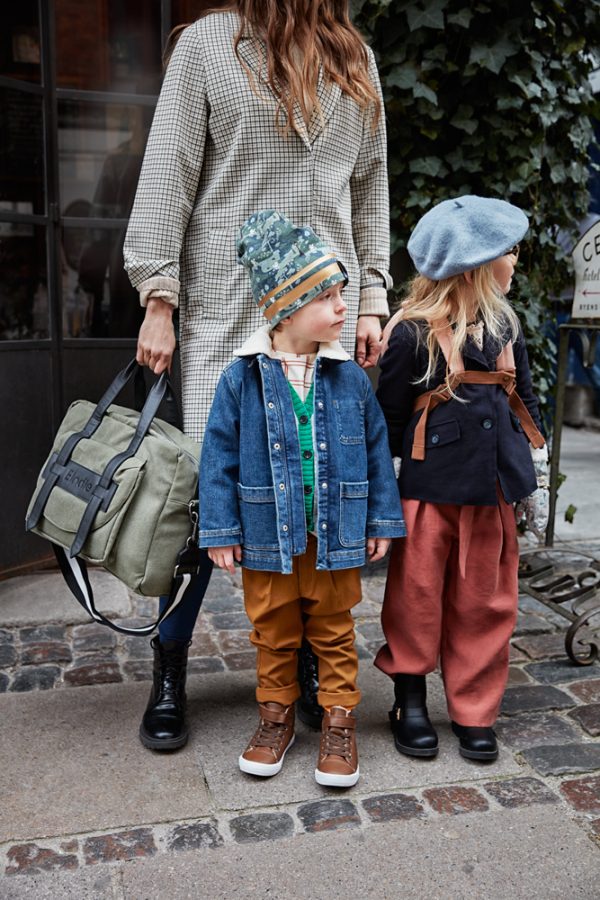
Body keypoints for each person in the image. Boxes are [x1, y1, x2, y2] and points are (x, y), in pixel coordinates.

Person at [123, 2, 392, 751]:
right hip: (227, 312)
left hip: (324, 315)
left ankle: (304, 662)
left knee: (312, 489)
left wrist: (371, 297)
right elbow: (167, 175)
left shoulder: (355, 57)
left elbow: (370, 187)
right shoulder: (210, 46)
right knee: (205, 505)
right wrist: (159, 300)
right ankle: (170, 662)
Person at [199, 210, 406, 786]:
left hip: (332, 535)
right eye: (328, 297)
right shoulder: (241, 378)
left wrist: (380, 519)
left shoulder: (349, 378)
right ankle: (276, 718)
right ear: (287, 309)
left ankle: (339, 722)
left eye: (342, 294)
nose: (344, 308)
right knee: (273, 632)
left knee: (335, 632)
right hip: (268, 537)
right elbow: (218, 457)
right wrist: (222, 530)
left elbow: (375, 451)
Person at [374, 196, 548, 762]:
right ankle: (409, 699)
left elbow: (525, 401)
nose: (515, 260)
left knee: (485, 602)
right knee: (416, 598)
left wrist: (536, 471)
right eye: (507, 252)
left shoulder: (506, 327)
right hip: (427, 493)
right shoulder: (411, 334)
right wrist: (384, 496)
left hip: (492, 491)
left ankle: (474, 709)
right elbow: (388, 420)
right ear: (475, 266)